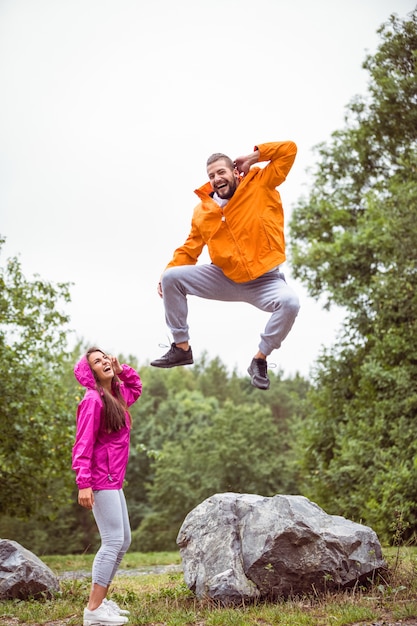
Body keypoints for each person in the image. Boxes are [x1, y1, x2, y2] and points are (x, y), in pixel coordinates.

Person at [151, 141, 300, 390]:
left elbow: (289, 150)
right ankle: (181, 347)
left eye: (221, 172)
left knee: (290, 303)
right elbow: (190, 249)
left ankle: (259, 359)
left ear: (234, 171)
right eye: (211, 176)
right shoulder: (203, 211)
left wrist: (253, 157)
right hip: (225, 277)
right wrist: (166, 273)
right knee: (171, 277)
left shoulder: (261, 183)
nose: (217, 179)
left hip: (265, 280)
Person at [72, 347, 142, 626]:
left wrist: (122, 369)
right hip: (100, 479)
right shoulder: (92, 400)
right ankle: (93, 610)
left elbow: (135, 386)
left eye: (105, 358)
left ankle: (100, 603)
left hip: (113, 477)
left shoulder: (115, 395)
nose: (104, 363)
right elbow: (83, 443)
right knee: (113, 540)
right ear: (91, 372)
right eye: (97, 362)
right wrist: (84, 483)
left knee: (123, 540)